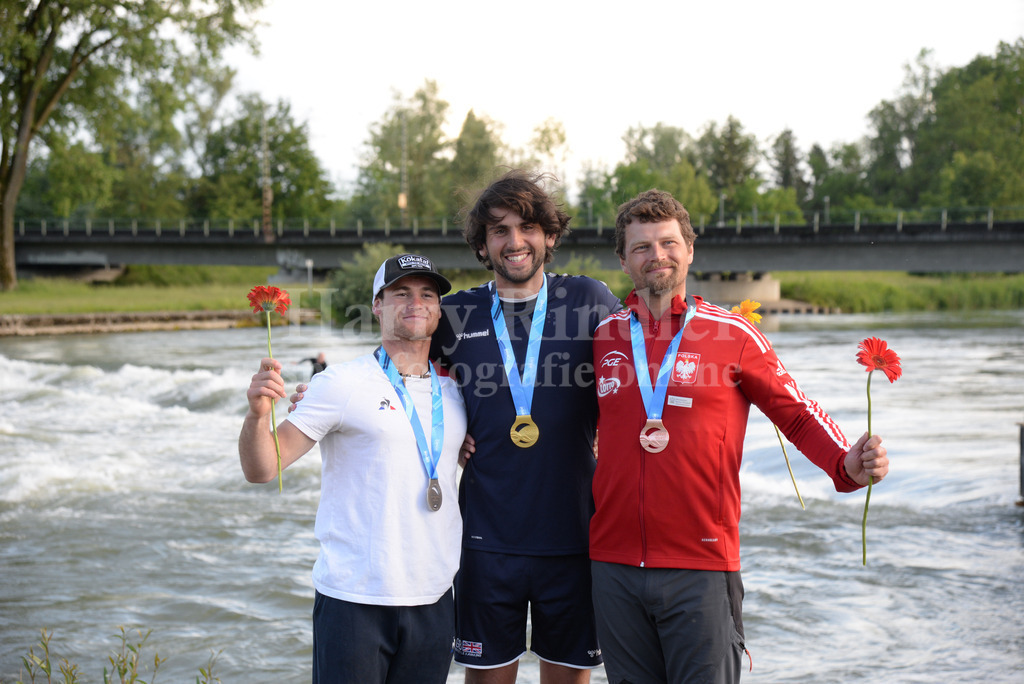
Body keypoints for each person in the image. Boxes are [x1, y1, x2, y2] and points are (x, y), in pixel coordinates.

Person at [589, 189, 890, 684]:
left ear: (690, 249)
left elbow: (796, 414)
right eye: (641, 247)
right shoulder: (602, 337)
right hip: (612, 565)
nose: (656, 256)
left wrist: (845, 463)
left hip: (700, 563)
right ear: (623, 261)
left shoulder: (734, 334)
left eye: (668, 243)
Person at [239, 253, 467, 684]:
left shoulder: (456, 390)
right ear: (377, 305)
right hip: (354, 598)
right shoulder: (340, 383)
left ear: (439, 309)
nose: (415, 303)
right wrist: (256, 415)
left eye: (427, 294)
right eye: (401, 293)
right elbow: (263, 468)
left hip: (435, 597)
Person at [434, 171, 621, 684]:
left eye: (527, 227)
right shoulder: (454, 314)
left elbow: (640, 373)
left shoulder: (590, 299)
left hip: (576, 537)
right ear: (482, 244)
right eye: (499, 230)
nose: (514, 242)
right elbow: (406, 387)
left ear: (550, 236)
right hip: (485, 540)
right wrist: (449, 437)